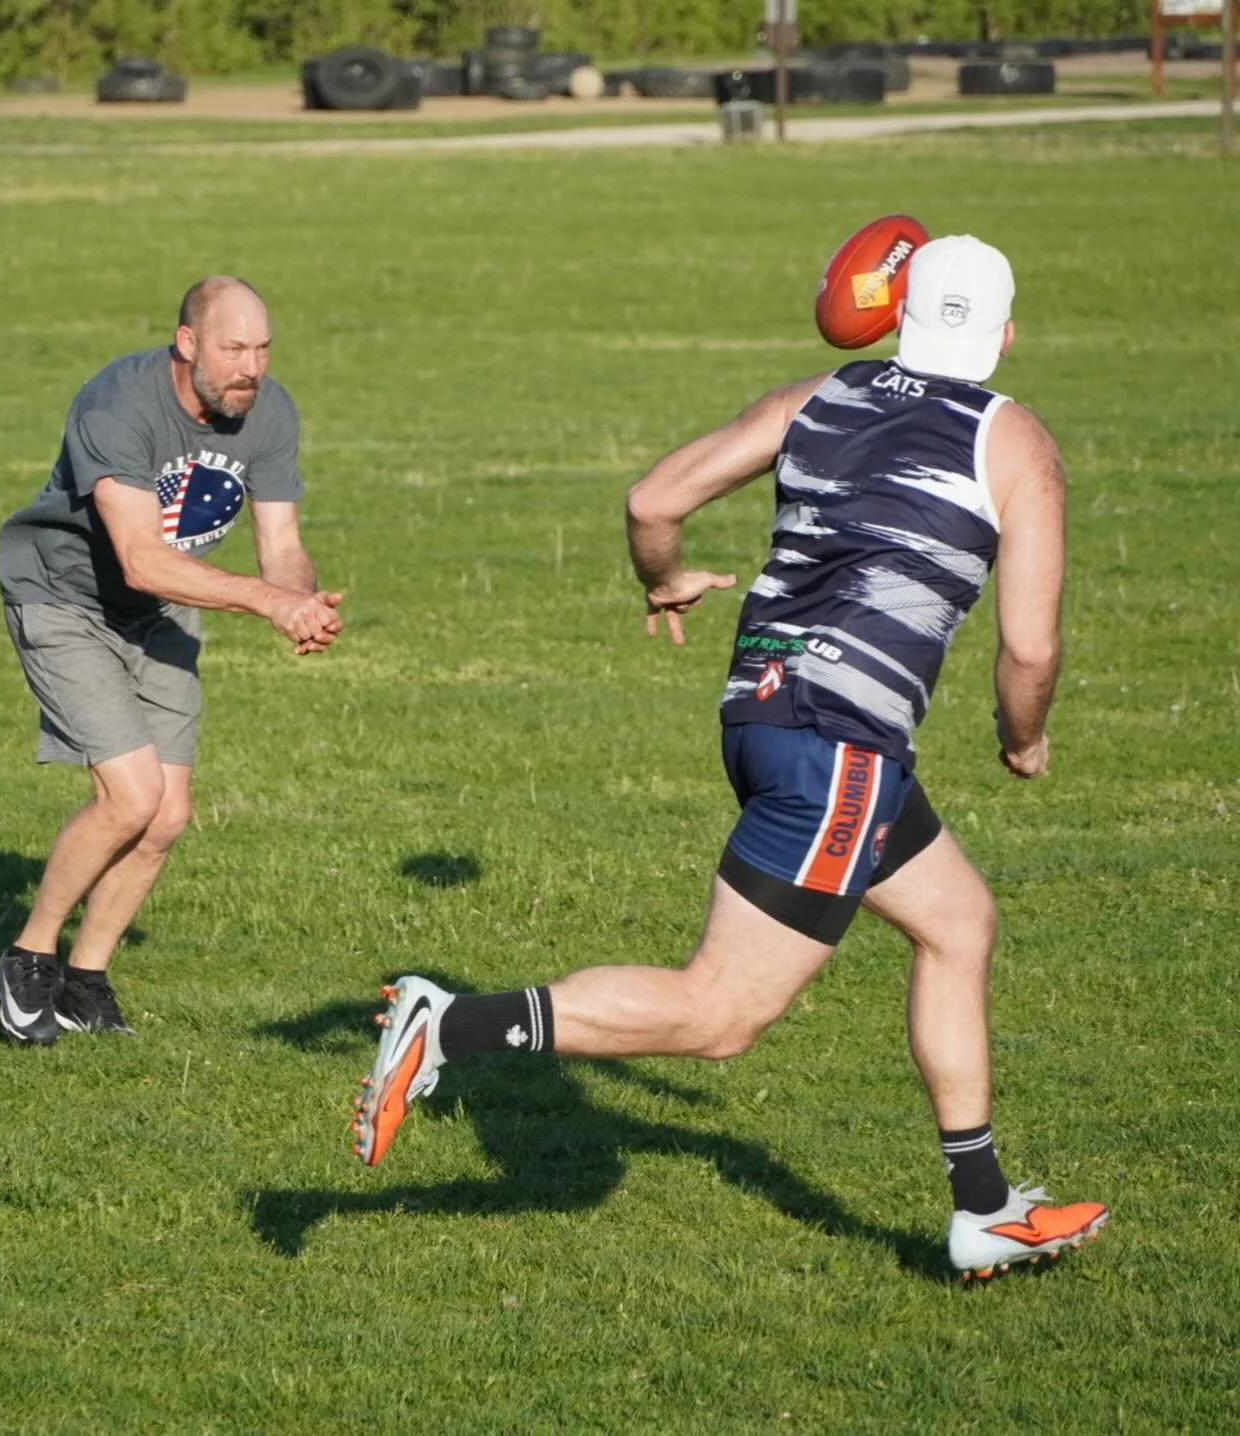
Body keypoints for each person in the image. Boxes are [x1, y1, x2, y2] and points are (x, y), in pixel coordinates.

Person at [351, 236, 1106, 1280]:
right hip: (842, 748)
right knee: (721, 1015)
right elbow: (1031, 646)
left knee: (958, 919)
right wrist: (1024, 736)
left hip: (760, 715)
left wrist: (660, 582)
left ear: (897, 319)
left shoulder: (820, 395)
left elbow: (652, 501)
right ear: (1008, 334)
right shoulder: (1013, 440)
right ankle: (452, 1024)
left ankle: (983, 1205)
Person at [0, 276, 342, 1046]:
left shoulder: (267, 410)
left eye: (262, 348)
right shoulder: (118, 405)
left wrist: (301, 603)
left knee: (167, 816)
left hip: (161, 612)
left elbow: (281, 547)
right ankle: (27, 957)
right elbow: (143, 559)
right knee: (130, 796)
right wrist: (263, 601)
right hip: (64, 599)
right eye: (233, 349)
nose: (251, 367)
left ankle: (85, 980)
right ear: (187, 344)